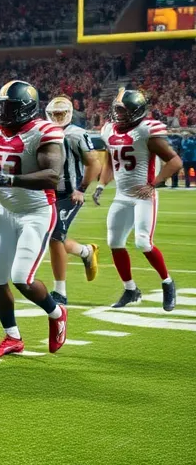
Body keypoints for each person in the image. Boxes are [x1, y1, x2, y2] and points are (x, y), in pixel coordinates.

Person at [0, 81, 68, 356]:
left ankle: (56, 313)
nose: (2, 112)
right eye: (1, 106)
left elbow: (52, 177)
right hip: (5, 212)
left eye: (8, 107)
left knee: (22, 277)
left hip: (37, 211)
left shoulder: (44, 132)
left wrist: (11, 179)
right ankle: (12, 337)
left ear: (25, 109)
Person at [93, 89, 181, 312]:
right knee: (115, 242)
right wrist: (102, 185)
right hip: (121, 196)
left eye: (124, 110)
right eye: (117, 110)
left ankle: (168, 283)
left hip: (144, 196)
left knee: (143, 242)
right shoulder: (108, 130)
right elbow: (112, 163)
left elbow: (175, 161)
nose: (119, 114)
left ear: (136, 111)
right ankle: (131, 289)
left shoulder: (145, 131)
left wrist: (154, 183)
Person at [43, 97, 100, 305]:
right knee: (48, 236)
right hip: (47, 194)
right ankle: (86, 251)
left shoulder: (76, 134)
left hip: (68, 194)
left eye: (61, 113)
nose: (57, 118)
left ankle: (60, 292)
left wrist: (81, 189)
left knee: (55, 237)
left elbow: (94, 163)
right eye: (54, 114)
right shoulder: (42, 132)